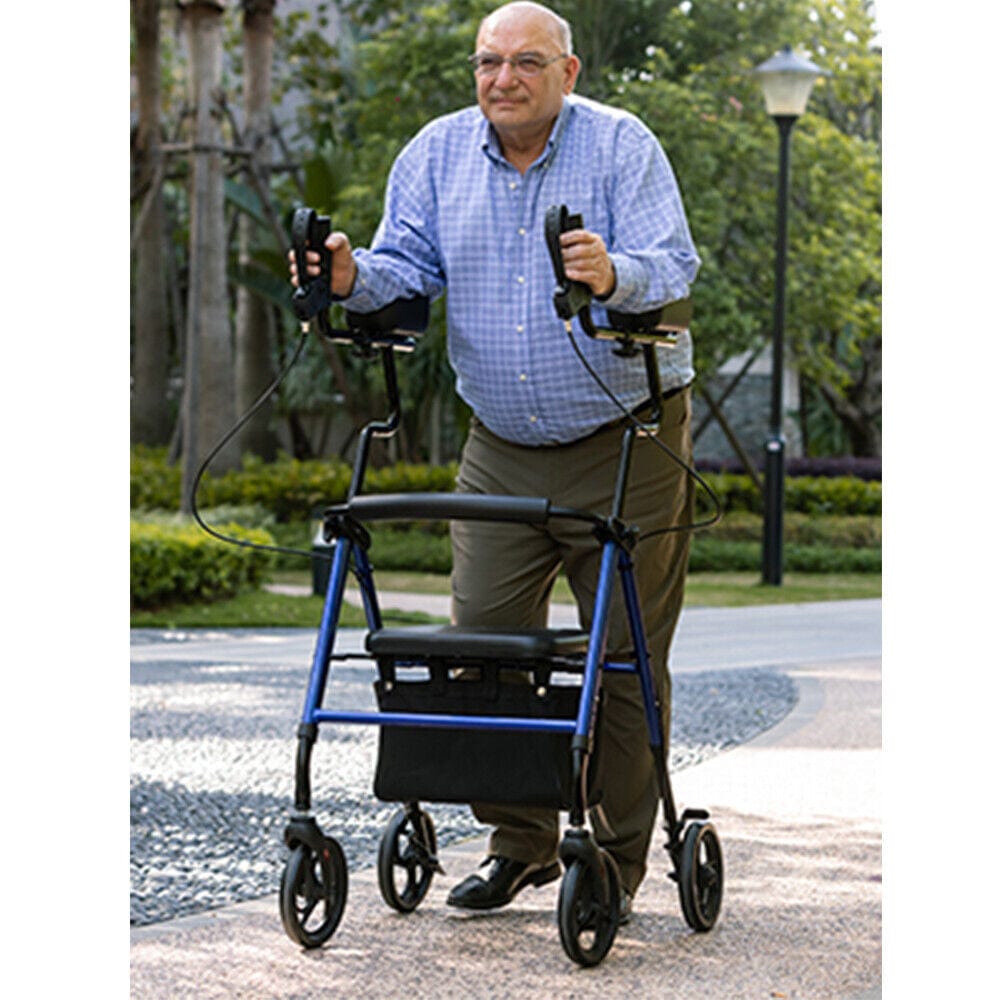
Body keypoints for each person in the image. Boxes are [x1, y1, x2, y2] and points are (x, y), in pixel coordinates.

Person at [290, 1, 700, 923]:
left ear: (569, 71)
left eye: (524, 62)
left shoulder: (621, 147)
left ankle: (616, 862)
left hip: (628, 436)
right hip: (502, 446)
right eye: (487, 63)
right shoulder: (435, 154)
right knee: (478, 643)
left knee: (626, 658)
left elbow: (672, 264)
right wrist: (353, 277)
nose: (502, 79)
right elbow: (406, 271)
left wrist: (610, 273)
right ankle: (522, 843)